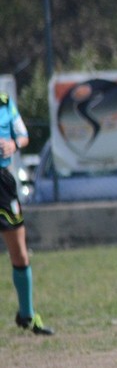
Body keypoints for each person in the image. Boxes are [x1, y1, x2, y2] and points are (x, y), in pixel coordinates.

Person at [1, 94, 53, 336]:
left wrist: (13, 144)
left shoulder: (4, 103)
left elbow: (23, 136)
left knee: (20, 253)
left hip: (3, 183)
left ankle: (27, 315)